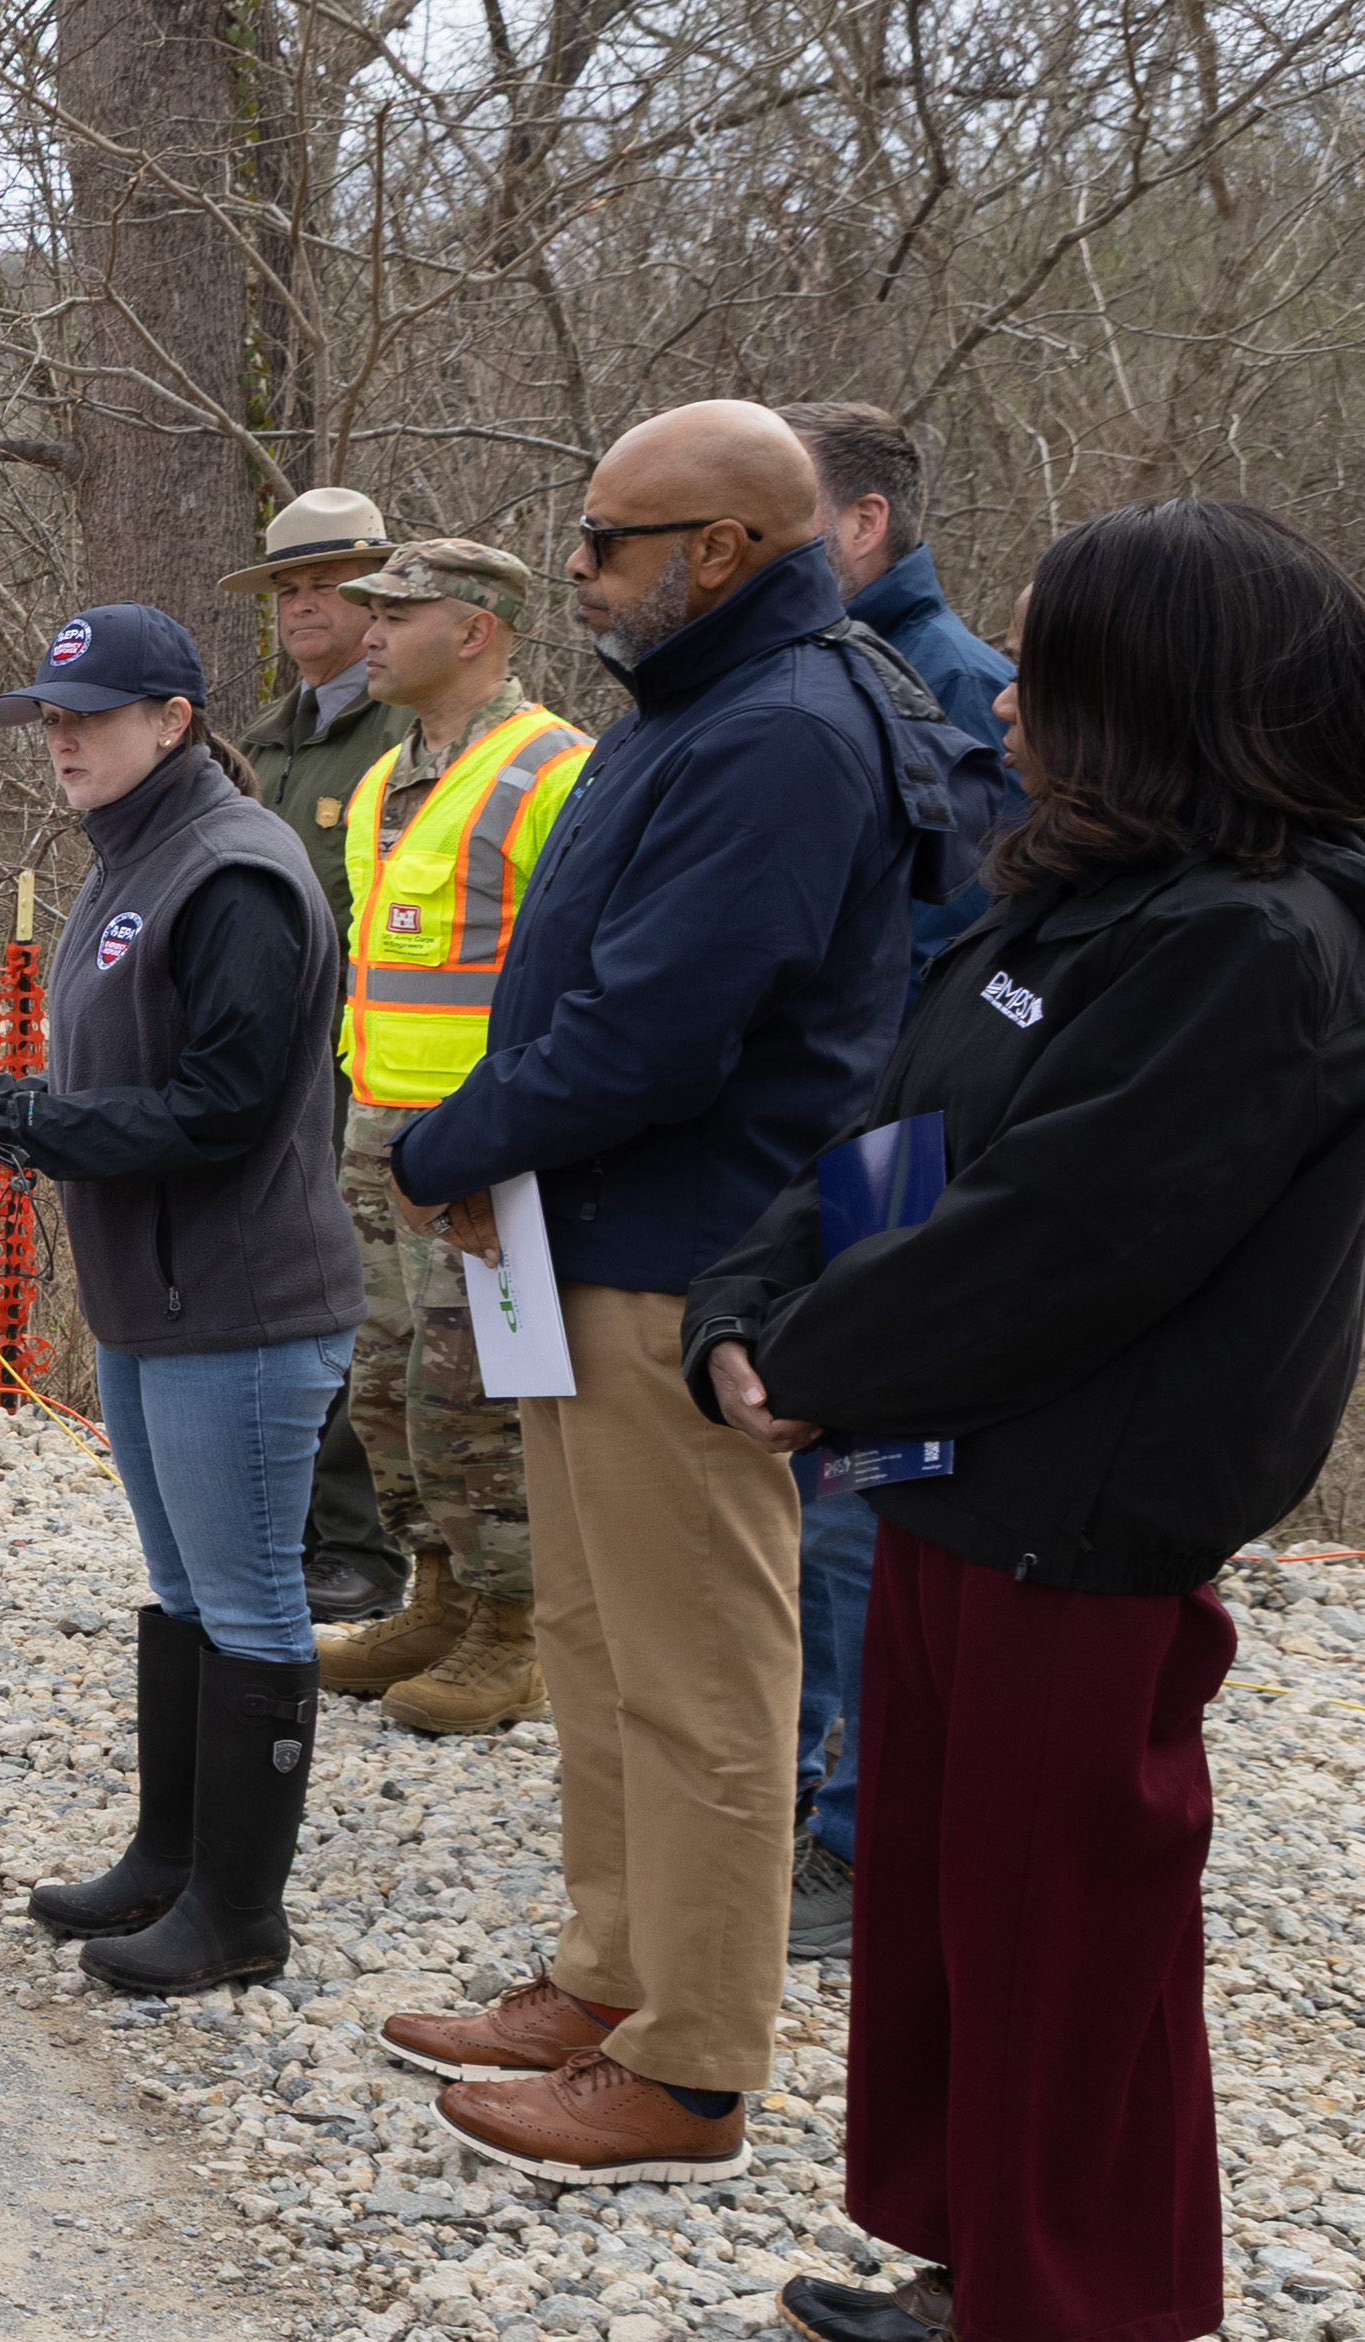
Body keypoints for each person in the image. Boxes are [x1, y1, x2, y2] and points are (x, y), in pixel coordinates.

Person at [695, 499, 1365, 2342]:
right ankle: (972, 2266)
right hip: (955, 1483)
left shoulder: (1252, 948)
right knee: (952, 1915)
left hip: (1082, 1517)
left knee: (1062, 1943)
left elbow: (1060, 1234)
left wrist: (811, 1366)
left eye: (1046, 661)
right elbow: (897, 1147)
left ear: (1145, 695)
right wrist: (753, 1302)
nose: (1009, 693)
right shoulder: (1073, 899)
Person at [369, 399, 913, 2187]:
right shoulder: (687, 717)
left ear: (720, 552)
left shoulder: (777, 732)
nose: (577, 569)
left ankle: (686, 2070)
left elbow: (660, 1028)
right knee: (602, 1648)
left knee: (699, 1680)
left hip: (683, 1259)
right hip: (583, 1240)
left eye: (605, 540)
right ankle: (605, 1982)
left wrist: (447, 1143)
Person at [0, 603, 361, 1996]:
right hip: (152, 1295)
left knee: (251, 1599)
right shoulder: (127, 853)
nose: (62, 738)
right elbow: (107, 1087)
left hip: (244, 1300)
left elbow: (214, 1110)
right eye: (50, 717)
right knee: (182, 1585)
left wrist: (4, 1111)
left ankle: (238, 1915)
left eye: (91, 714)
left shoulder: (237, 874)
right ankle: (168, 1858)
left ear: (175, 722)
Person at [770, 397, 1023, 1968]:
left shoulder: (960, 692)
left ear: (861, 526)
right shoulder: (825, 681)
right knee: (806, 1485)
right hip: (828, 1149)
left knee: (865, 1492)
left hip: (898, 1161)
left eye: (787, 520)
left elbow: (967, 967)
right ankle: (797, 1781)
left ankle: (861, 1834)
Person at [298, 541, 589, 1741]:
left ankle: (514, 1633)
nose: (365, 631)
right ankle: (438, 1597)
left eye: (393, 612)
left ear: (473, 630)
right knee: (385, 1387)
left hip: (485, 1142)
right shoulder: (381, 780)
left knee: (476, 1392)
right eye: (365, 612)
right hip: (376, 1127)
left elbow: (574, 975)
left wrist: (502, 1133)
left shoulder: (553, 770)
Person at [226, 488, 417, 1628]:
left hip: (368, 1062)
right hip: (266, 1062)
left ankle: (362, 1544)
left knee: (354, 1306)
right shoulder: (261, 739)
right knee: (267, 1292)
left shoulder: (405, 736)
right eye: (287, 587)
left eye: (329, 584)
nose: (304, 604)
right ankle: (287, 1527)